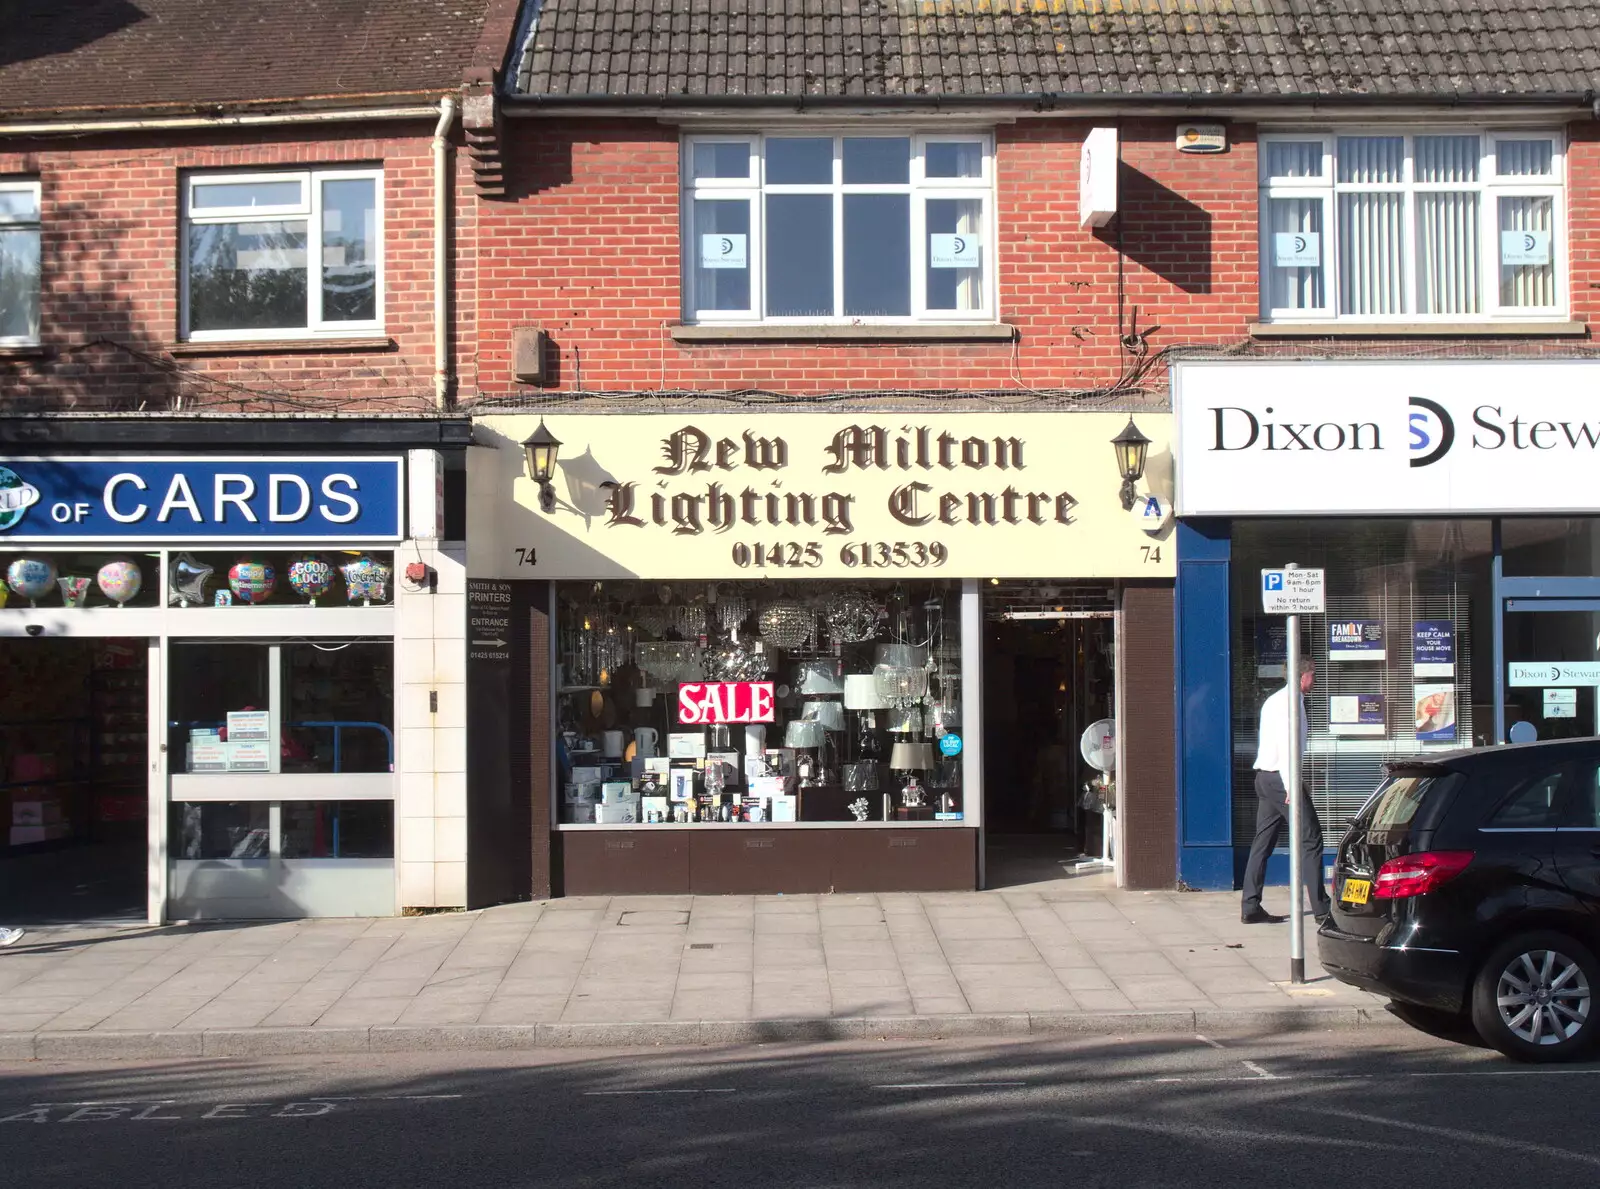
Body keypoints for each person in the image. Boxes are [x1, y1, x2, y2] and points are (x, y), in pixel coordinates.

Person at [1242, 657, 1334, 925]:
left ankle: (1250, 905)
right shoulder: (1289, 703)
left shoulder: (1278, 700)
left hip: (1266, 778)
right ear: (1302, 676)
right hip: (1281, 779)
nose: (1314, 680)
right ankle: (1321, 908)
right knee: (1311, 839)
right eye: (1313, 675)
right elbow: (1287, 746)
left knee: (1263, 842)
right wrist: (1292, 785)